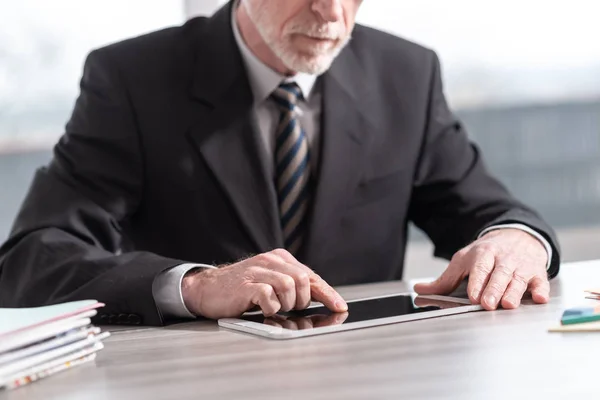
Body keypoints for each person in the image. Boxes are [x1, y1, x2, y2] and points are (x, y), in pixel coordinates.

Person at [0, 0, 559, 326]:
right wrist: (194, 286)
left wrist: (516, 238)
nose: (330, 13)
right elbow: (32, 258)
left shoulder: (406, 73)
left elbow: (487, 209)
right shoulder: (133, 78)